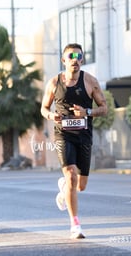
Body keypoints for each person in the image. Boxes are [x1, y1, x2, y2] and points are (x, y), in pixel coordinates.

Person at [40, 43, 108, 239]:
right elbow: (43, 108)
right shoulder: (54, 83)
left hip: (84, 136)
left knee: (81, 185)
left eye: (78, 56)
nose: (74, 59)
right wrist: (52, 116)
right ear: (64, 60)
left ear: (82, 60)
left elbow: (104, 108)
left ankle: (64, 190)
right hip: (63, 135)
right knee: (71, 175)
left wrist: (87, 112)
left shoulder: (91, 82)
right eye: (70, 56)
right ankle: (75, 224)